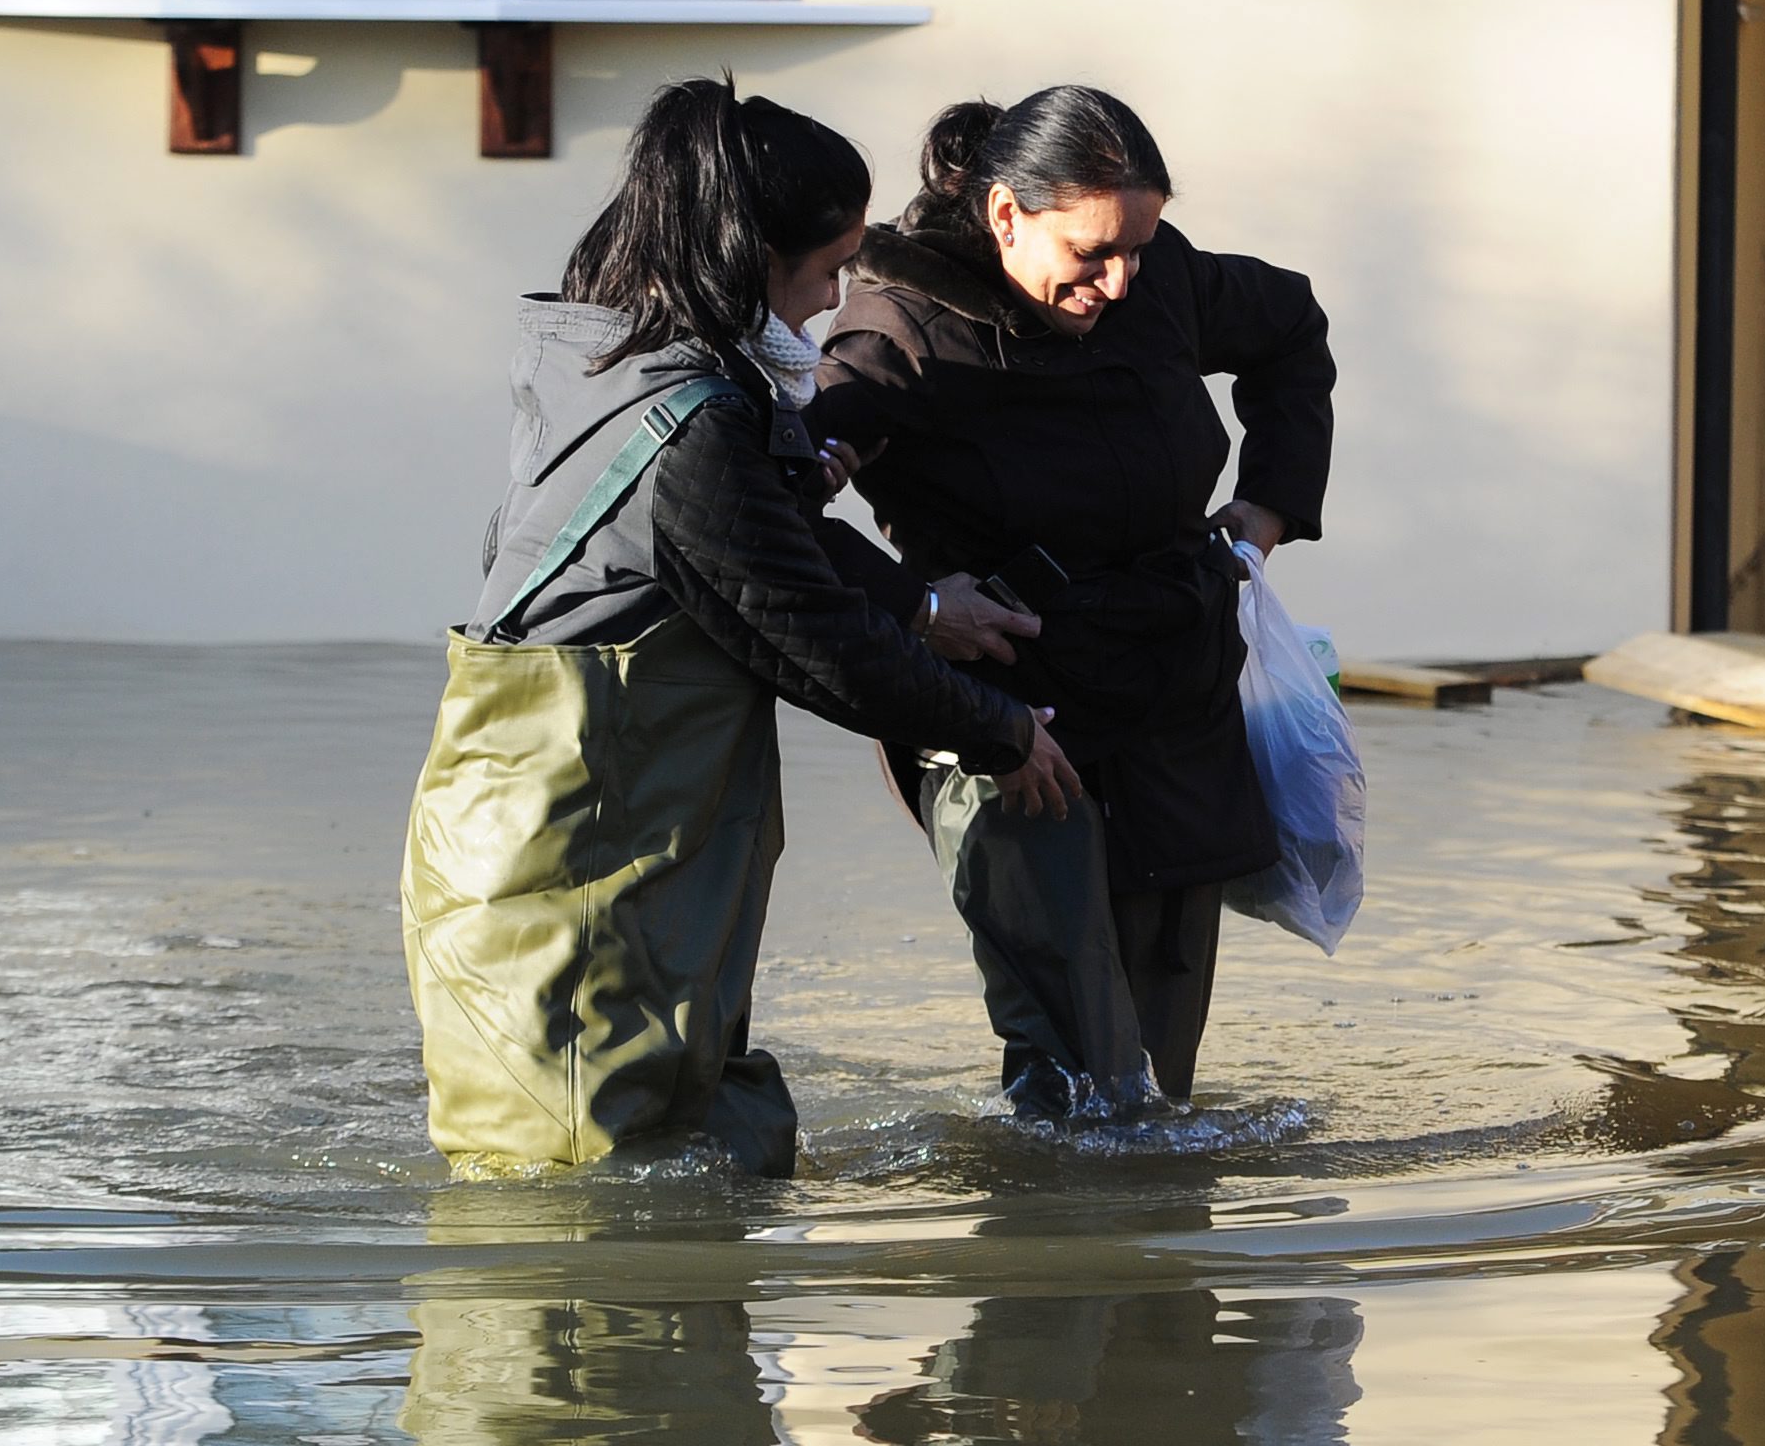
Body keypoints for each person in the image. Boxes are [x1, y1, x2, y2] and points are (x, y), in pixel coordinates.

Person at [402, 79, 1080, 1178]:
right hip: (577, 878)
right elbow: (806, 633)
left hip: (532, 859)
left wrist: (920, 603)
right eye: (825, 272)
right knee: (593, 1211)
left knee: (657, 1138)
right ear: (750, 258)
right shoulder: (693, 428)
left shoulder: (602, 364)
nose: (829, 304)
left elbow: (765, 537)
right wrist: (1001, 732)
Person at [810, 87, 1335, 1119]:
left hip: (1175, 693)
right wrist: (916, 602)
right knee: (1077, 1065)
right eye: (1092, 252)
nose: (1118, 280)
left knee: (1157, 1065)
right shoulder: (893, 329)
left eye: (1137, 246)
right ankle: (1045, 1261)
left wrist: (1270, 507)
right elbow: (765, 513)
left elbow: (1291, 330)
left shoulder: (1159, 279)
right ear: (1006, 214)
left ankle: (1151, 1271)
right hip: (1016, 721)